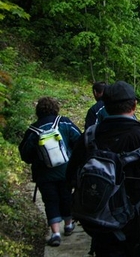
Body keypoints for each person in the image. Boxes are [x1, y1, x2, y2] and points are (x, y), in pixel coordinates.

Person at [67, 81, 140, 256]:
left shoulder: (89, 137)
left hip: (101, 225)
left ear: (104, 105)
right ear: (134, 105)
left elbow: (71, 175)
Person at [19, 97, 82, 247]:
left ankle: (55, 233)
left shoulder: (33, 130)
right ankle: (68, 225)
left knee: (50, 200)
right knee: (66, 196)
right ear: (56, 108)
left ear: (38, 112)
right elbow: (79, 140)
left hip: (44, 174)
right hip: (66, 170)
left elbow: (25, 155)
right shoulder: (64, 122)